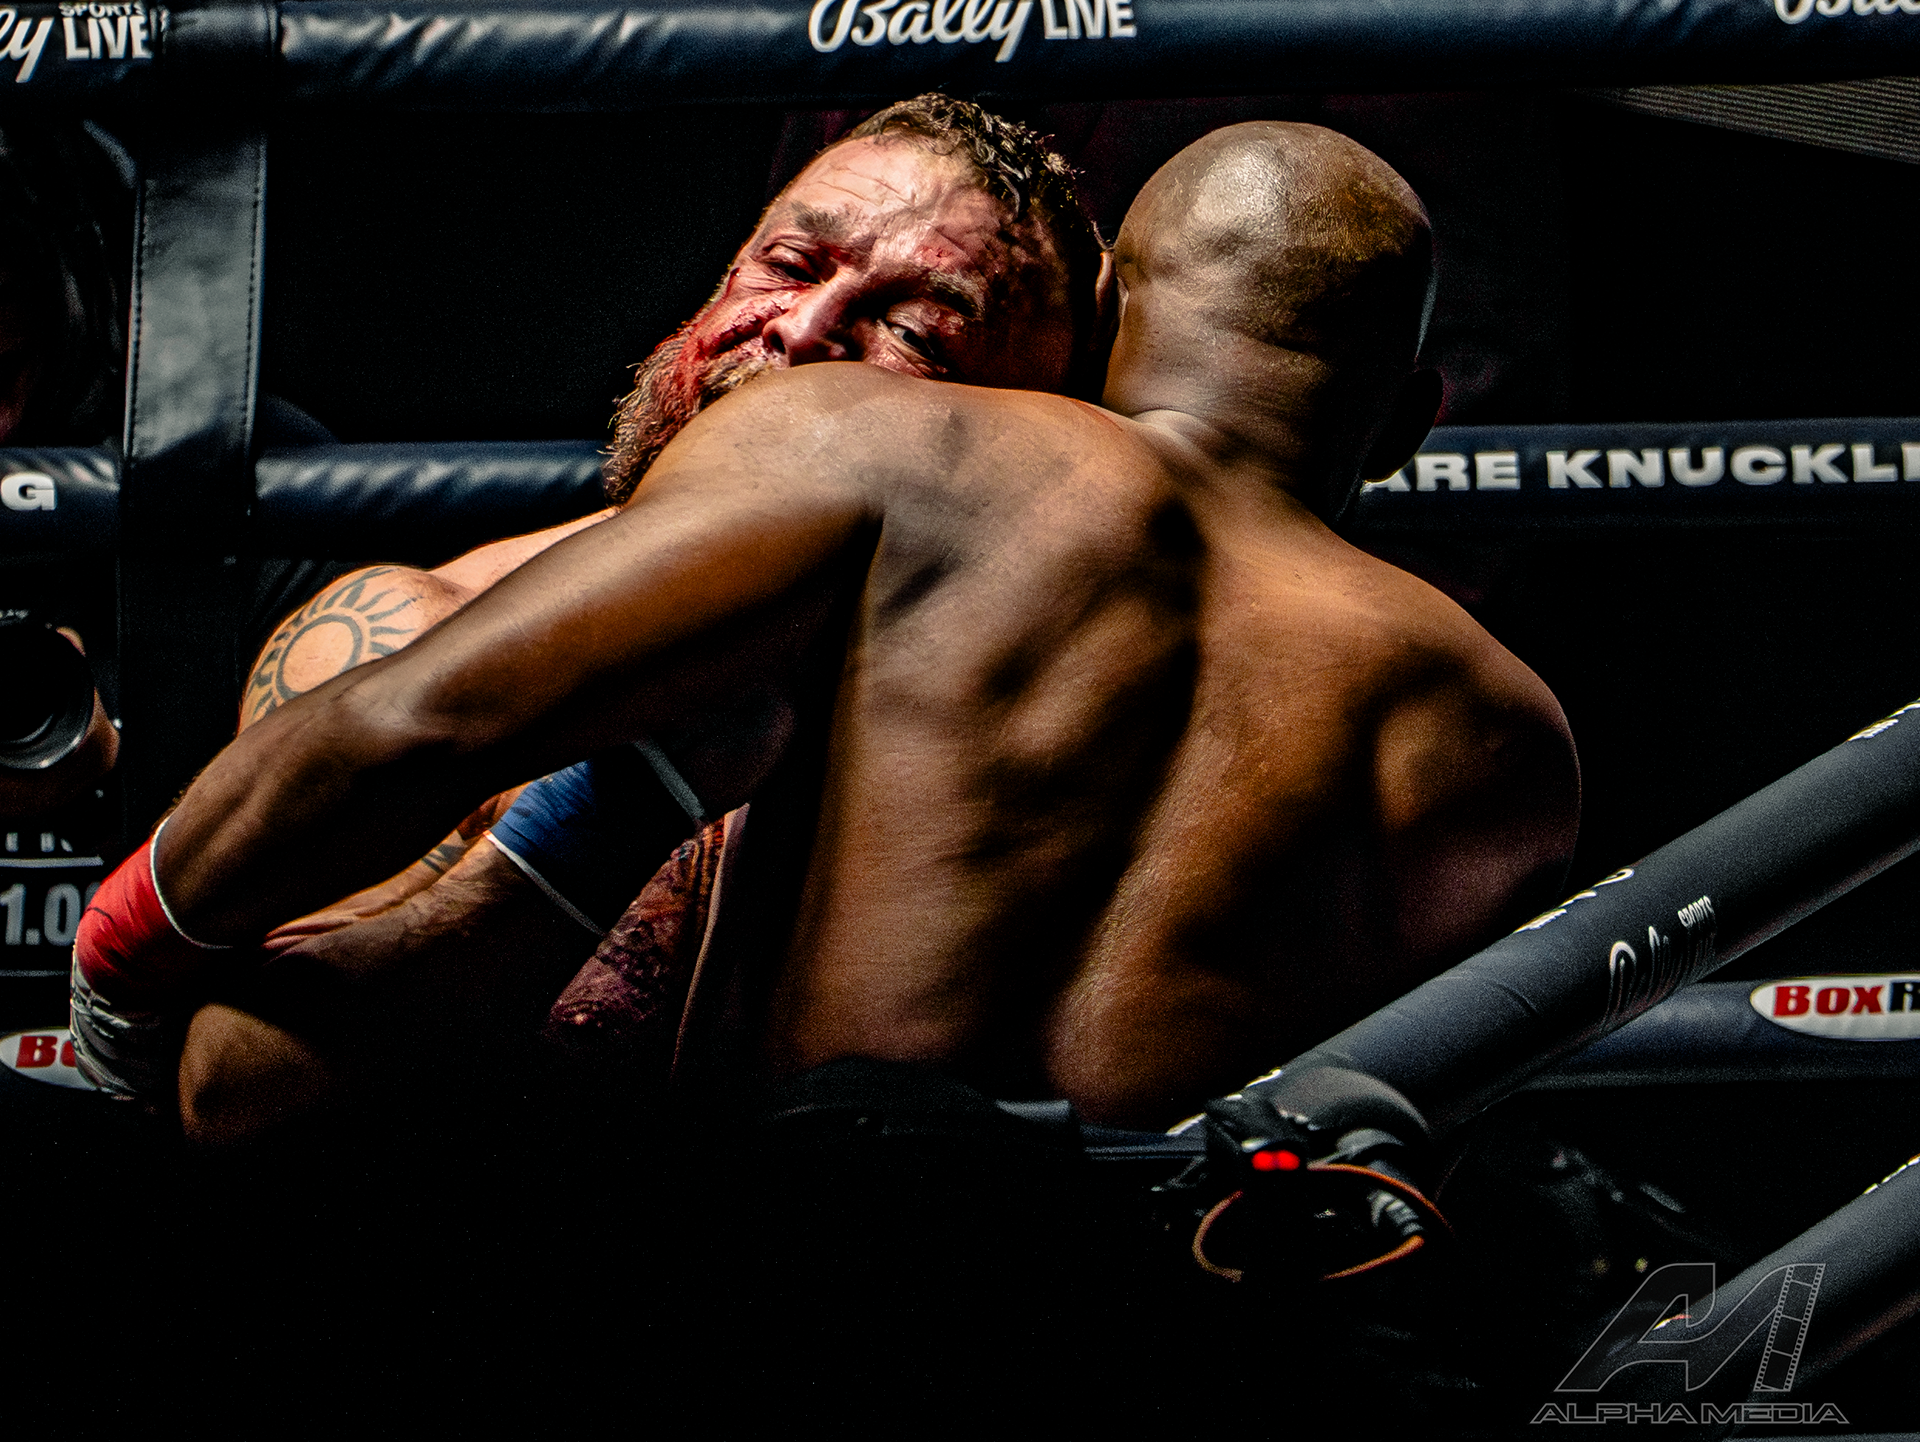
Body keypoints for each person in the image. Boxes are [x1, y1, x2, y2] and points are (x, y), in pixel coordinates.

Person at [77, 121, 1577, 1135]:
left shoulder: (902, 473)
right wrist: (624, 800)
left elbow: (393, 743)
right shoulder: (1509, 731)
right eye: (793, 266)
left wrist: (121, 953)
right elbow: (248, 1099)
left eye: (915, 331)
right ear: (1410, 424)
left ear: (1081, 357)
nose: (804, 343)